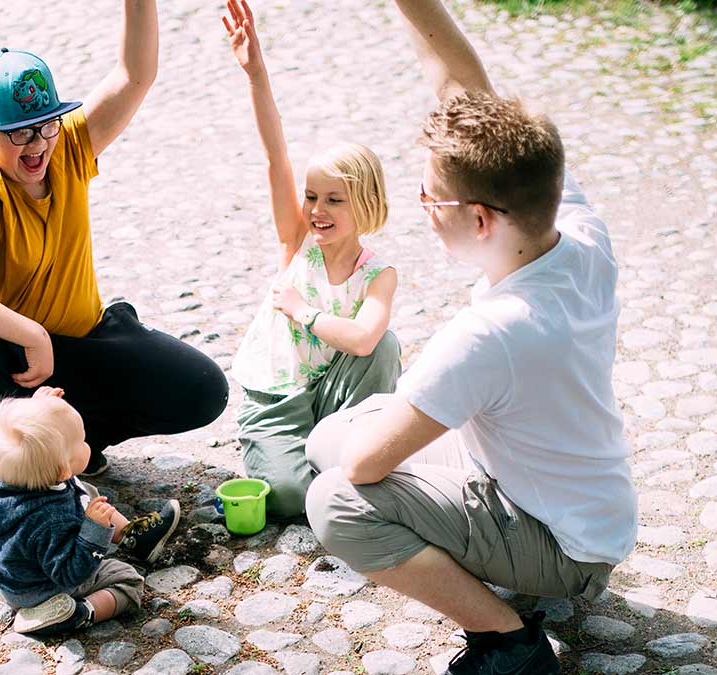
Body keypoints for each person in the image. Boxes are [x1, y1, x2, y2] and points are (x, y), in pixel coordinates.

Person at [303, 2, 637, 674]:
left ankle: (508, 639)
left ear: (480, 219)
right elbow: (461, 81)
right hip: (581, 497)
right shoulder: (573, 230)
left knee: (335, 497)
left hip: (564, 547)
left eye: (432, 200)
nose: (425, 212)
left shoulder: (490, 333)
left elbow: (367, 467)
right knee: (324, 439)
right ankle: (499, 563)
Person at [0, 0, 229, 543]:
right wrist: (30, 334)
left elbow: (136, 74)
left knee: (202, 389)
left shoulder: (71, 148)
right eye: (17, 133)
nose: (37, 145)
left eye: (45, 126)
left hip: (79, 348)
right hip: (9, 366)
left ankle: (70, 451)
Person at [221, 0, 401, 518]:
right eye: (311, 197)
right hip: (277, 397)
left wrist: (303, 310)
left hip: (330, 395)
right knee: (295, 501)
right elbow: (276, 153)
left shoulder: (378, 275)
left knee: (384, 347)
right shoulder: (296, 239)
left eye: (333, 200)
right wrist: (255, 73)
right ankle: (288, 455)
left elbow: (366, 339)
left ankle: (355, 452)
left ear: (364, 204)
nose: (316, 210)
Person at [0, 387, 181, 637]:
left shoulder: (2, 479)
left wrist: (39, 410)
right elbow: (71, 572)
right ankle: (79, 614)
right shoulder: (52, 519)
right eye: (82, 441)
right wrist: (94, 530)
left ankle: (136, 537)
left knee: (84, 490)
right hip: (47, 589)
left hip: (15, 581)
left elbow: (28, 442)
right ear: (64, 470)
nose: (86, 443)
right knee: (129, 581)